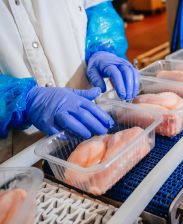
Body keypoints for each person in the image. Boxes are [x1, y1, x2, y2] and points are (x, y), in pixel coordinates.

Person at [0, 1, 140, 153]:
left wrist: (103, 48)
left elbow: (98, 8)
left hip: (94, 111)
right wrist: (22, 100)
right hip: (23, 153)